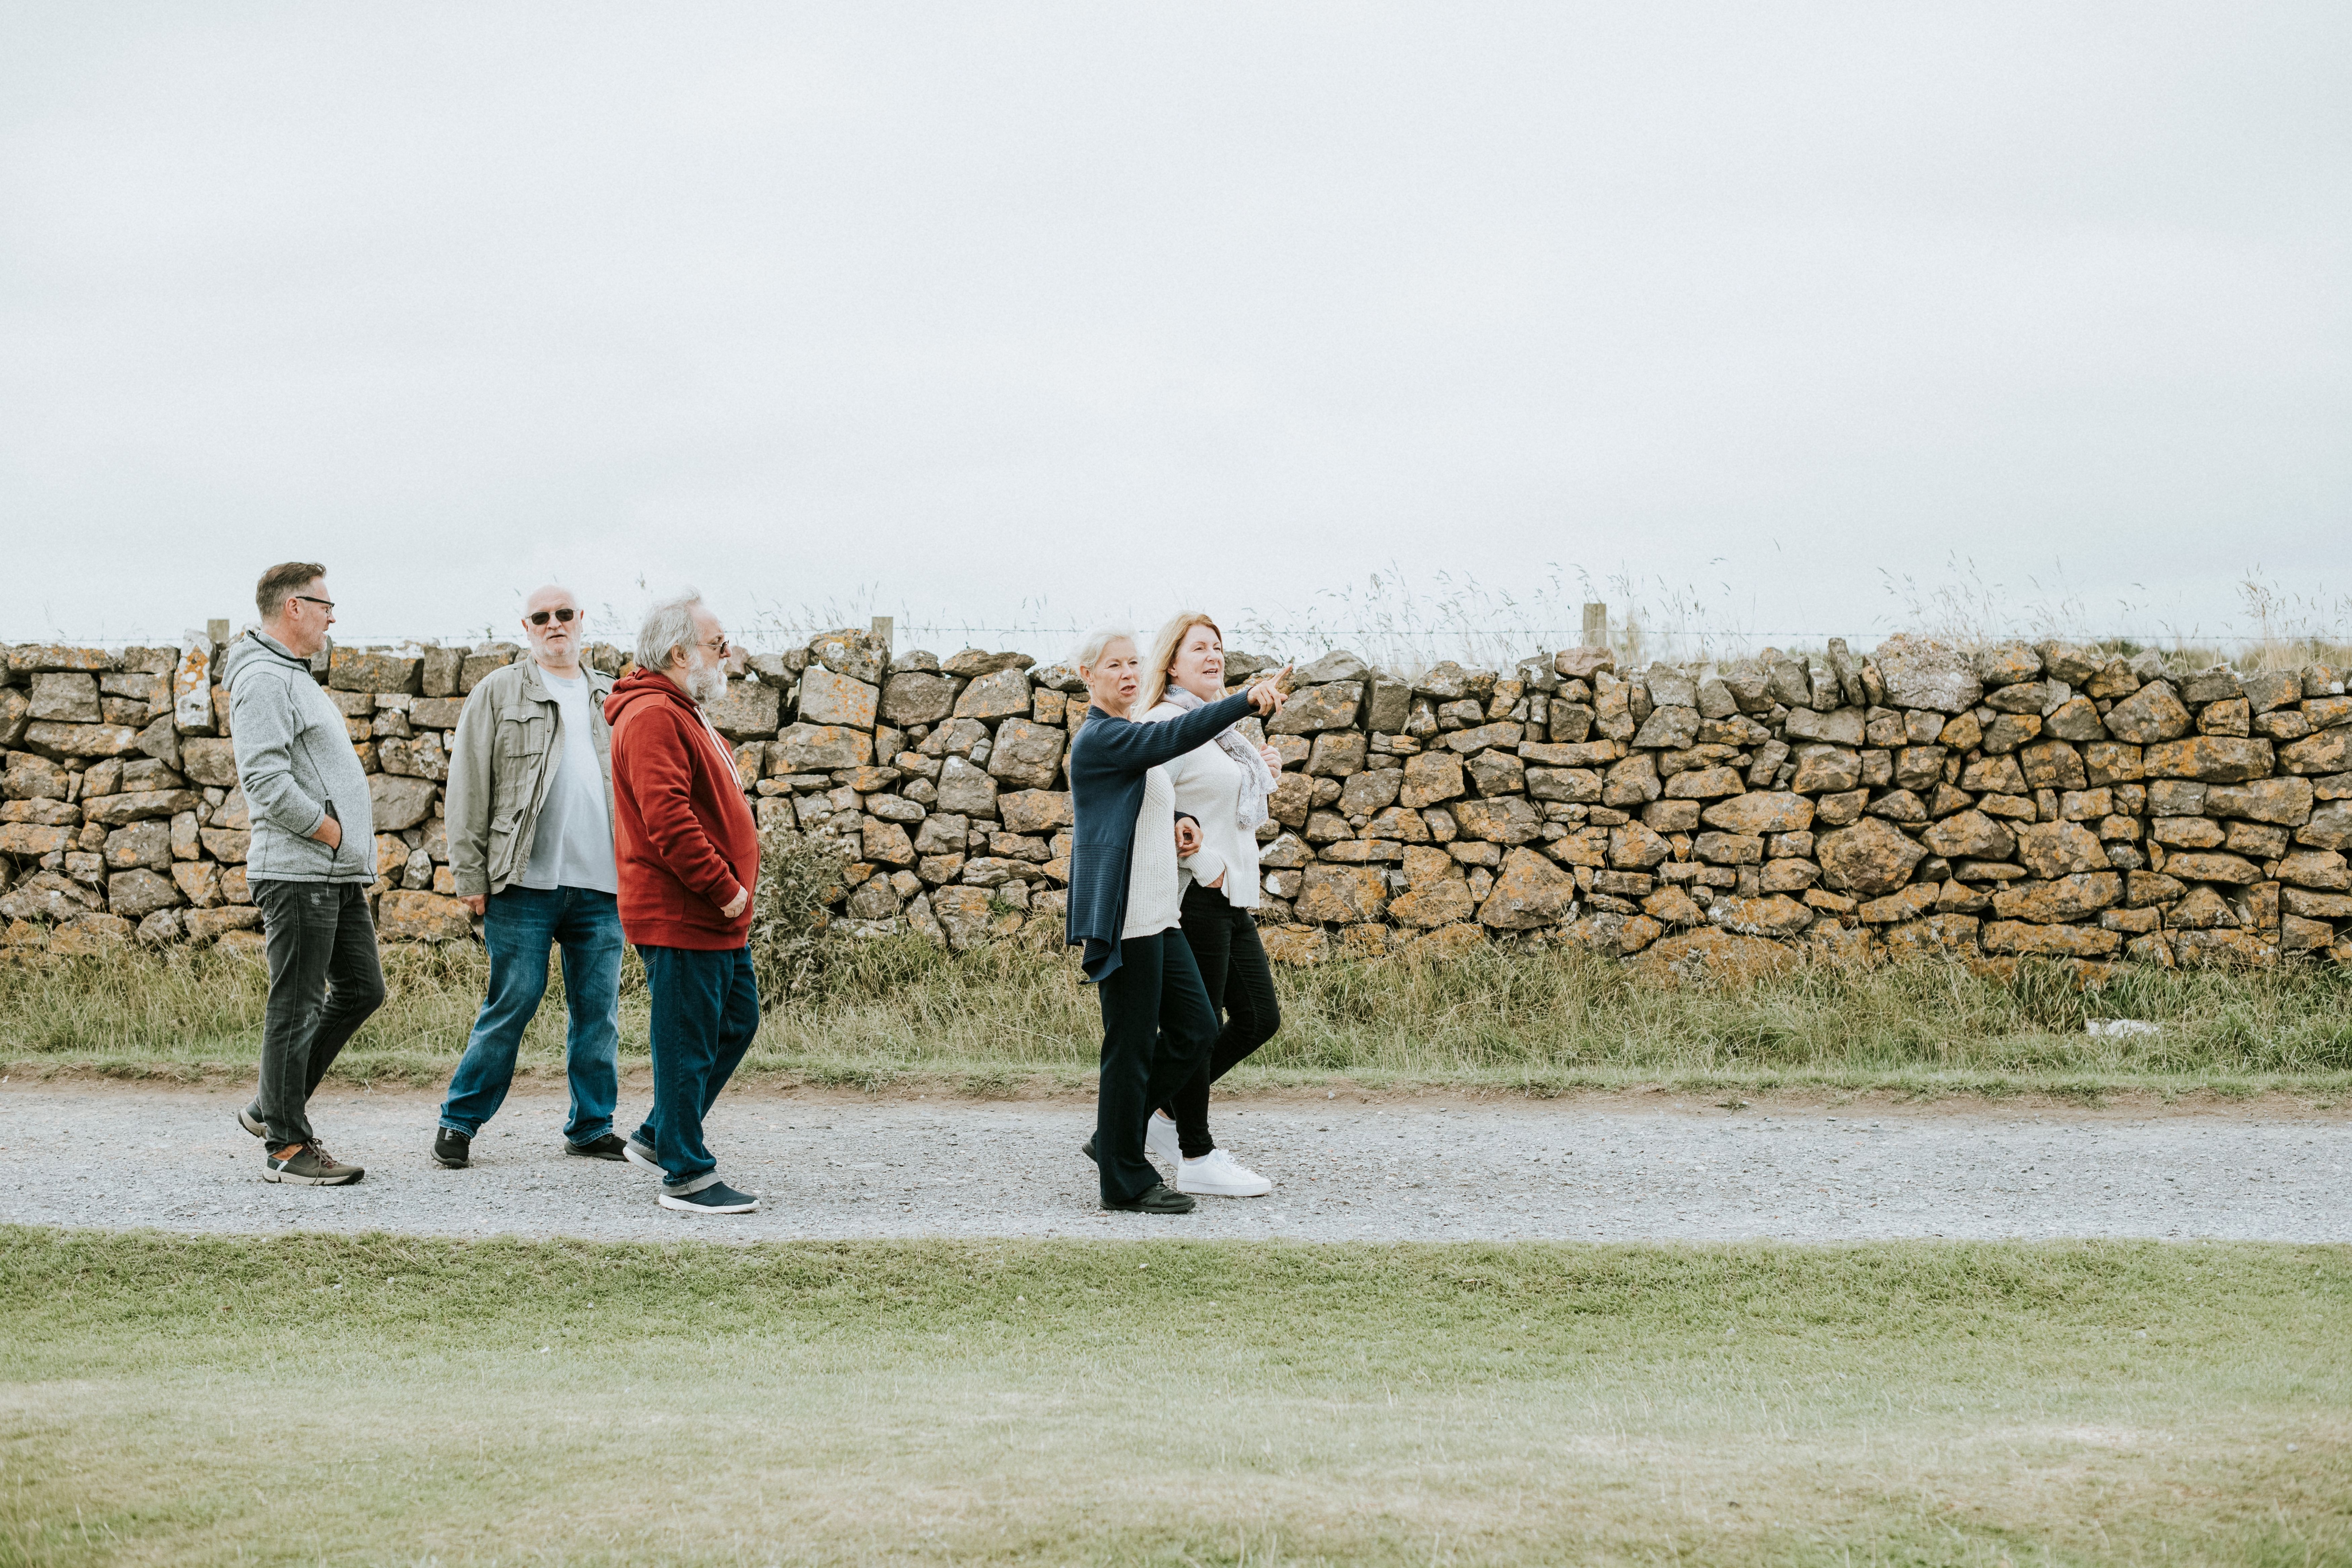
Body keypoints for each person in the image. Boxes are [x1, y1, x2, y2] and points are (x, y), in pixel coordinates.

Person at [1064, 627, 1286, 1214]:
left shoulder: (1130, 736)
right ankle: (1125, 1179)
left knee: (1196, 1029)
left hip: (1162, 913)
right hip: (1128, 916)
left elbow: (1147, 795)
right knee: (1131, 1047)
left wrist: (1181, 817)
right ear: (1088, 676)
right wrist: (1245, 701)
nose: (1128, 674)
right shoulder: (1102, 738)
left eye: (1134, 663)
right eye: (1114, 665)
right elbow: (1177, 737)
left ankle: (1118, 1137)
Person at [431, 584, 629, 1168]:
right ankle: (458, 1122)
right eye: (541, 618)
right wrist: (471, 874)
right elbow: (467, 786)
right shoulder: (497, 693)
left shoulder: (610, 696)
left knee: (598, 1013)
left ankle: (592, 1126)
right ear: (527, 628)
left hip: (602, 885)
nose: (554, 625)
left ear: (580, 621)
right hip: (521, 883)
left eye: (563, 615)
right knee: (511, 1003)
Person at [220, 562, 384, 1186]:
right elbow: (264, 780)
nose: (332, 616)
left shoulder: (291, 675)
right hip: (299, 870)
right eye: (325, 604)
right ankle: (287, 1148)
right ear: (294, 606)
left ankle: (271, 1104)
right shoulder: (263, 677)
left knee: (362, 989)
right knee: (295, 1003)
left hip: (332, 874)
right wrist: (331, 830)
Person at [605, 589, 763, 1215]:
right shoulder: (653, 716)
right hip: (687, 911)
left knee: (735, 1021)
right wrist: (724, 888)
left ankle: (656, 1135)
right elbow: (667, 819)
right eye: (716, 643)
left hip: (712, 915)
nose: (726, 653)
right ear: (678, 651)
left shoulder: (682, 708)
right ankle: (686, 1174)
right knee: (686, 1040)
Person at [1137, 612, 1285, 1197]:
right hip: (1196, 892)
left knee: (1257, 1019)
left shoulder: (1220, 731)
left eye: (1219, 647)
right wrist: (1191, 845)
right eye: (1200, 647)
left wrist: (1259, 773)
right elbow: (1143, 796)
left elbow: (1222, 801)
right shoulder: (1165, 724)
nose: (1214, 655)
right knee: (1198, 1028)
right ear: (1171, 662)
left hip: (1230, 894)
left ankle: (1150, 1112)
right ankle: (1195, 1155)